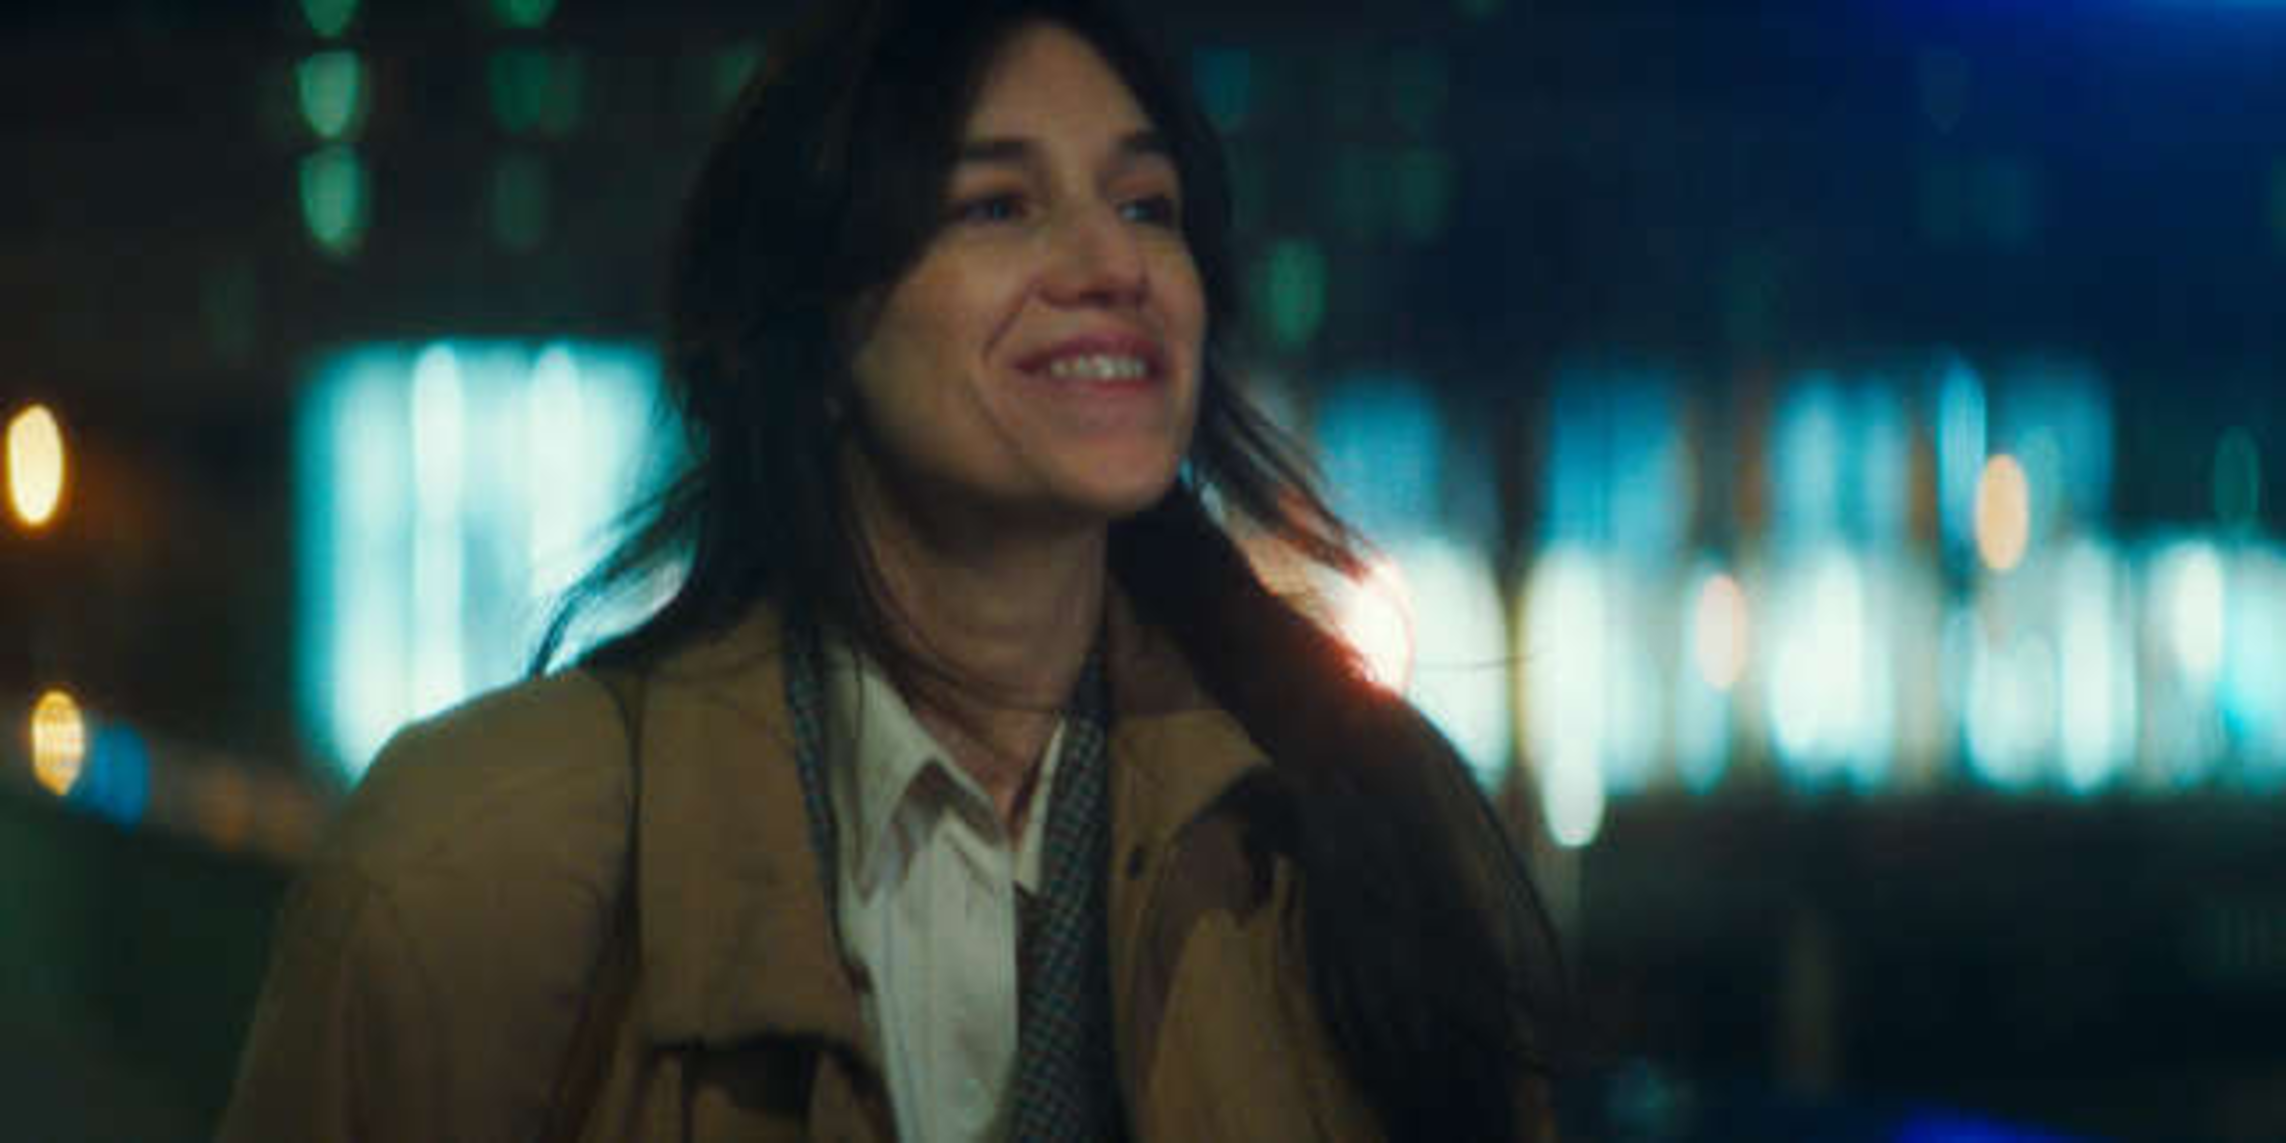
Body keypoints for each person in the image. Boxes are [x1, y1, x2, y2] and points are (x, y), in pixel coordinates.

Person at [220, 0, 1567, 1138]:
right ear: (812, 334)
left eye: (1146, 204)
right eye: (998, 204)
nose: (1114, 264)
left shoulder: (1360, 821)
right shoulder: (474, 868)